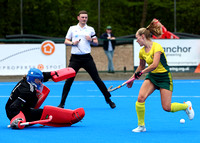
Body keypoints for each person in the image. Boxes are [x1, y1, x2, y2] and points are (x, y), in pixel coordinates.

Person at [127, 19, 194, 132]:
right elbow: (141, 66)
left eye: (137, 37)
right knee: (140, 98)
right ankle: (141, 126)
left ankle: (186, 106)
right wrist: (131, 79)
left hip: (164, 78)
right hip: (152, 77)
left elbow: (154, 65)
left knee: (167, 108)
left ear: (143, 36)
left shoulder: (157, 47)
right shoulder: (142, 51)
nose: (136, 40)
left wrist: (141, 73)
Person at [58, 10, 116, 109]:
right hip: (75, 58)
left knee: (97, 79)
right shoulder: (72, 28)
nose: (84, 19)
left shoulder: (90, 29)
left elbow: (96, 42)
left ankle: (108, 99)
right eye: (82, 17)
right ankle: (62, 103)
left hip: (87, 58)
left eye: (86, 17)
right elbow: (66, 41)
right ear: (78, 18)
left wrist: (91, 40)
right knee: (69, 81)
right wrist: (72, 43)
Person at [5, 68, 85, 129]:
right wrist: (18, 119)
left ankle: (67, 116)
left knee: (41, 112)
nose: (40, 82)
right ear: (34, 79)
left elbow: (42, 75)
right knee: (45, 113)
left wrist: (51, 74)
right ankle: (69, 118)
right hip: (15, 112)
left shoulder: (27, 80)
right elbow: (13, 107)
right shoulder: (26, 91)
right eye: (39, 80)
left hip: (22, 108)